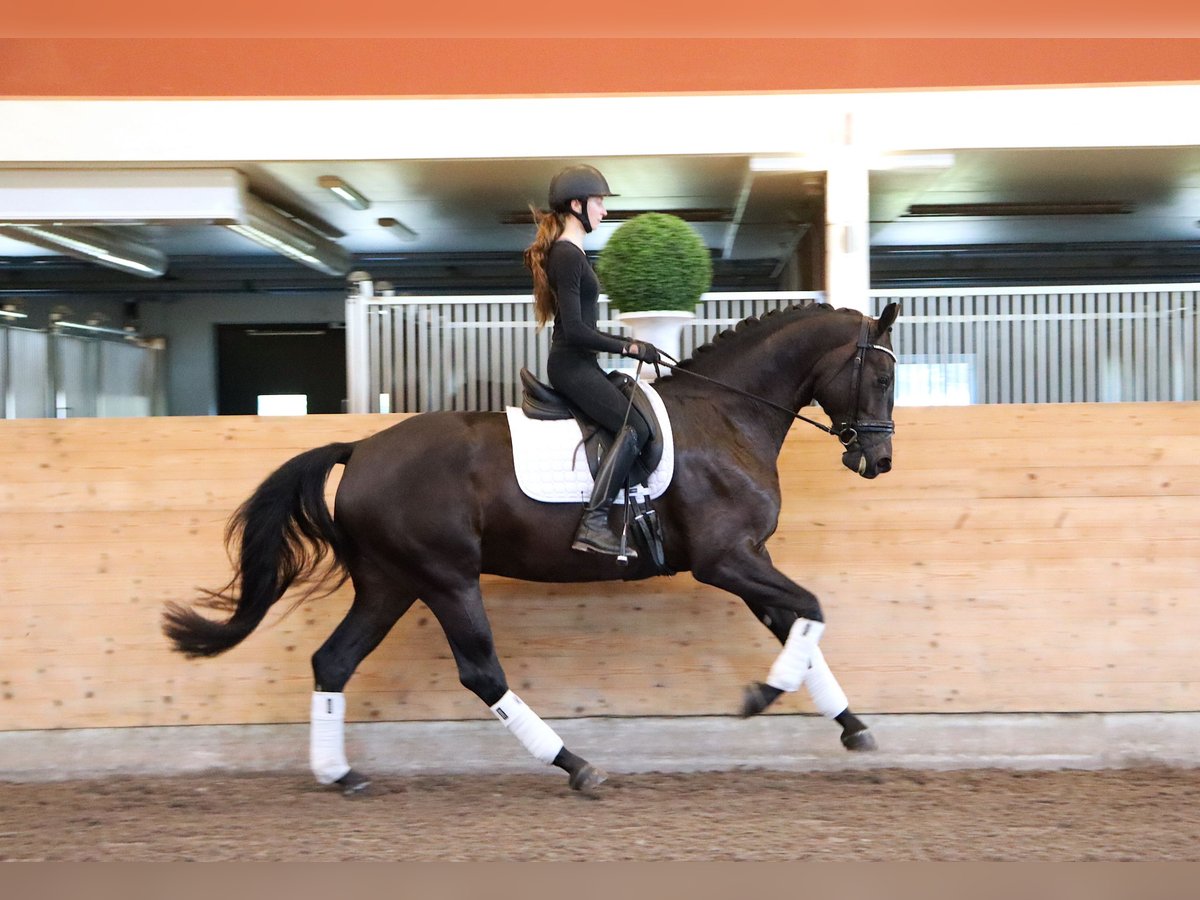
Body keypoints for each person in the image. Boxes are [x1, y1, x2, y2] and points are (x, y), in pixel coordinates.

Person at [523, 164, 662, 560]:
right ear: (576, 204)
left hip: (582, 364)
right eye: (599, 202)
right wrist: (630, 347)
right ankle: (594, 522)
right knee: (633, 428)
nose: (604, 210)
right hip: (571, 366)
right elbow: (577, 331)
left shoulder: (573, 252)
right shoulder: (567, 256)